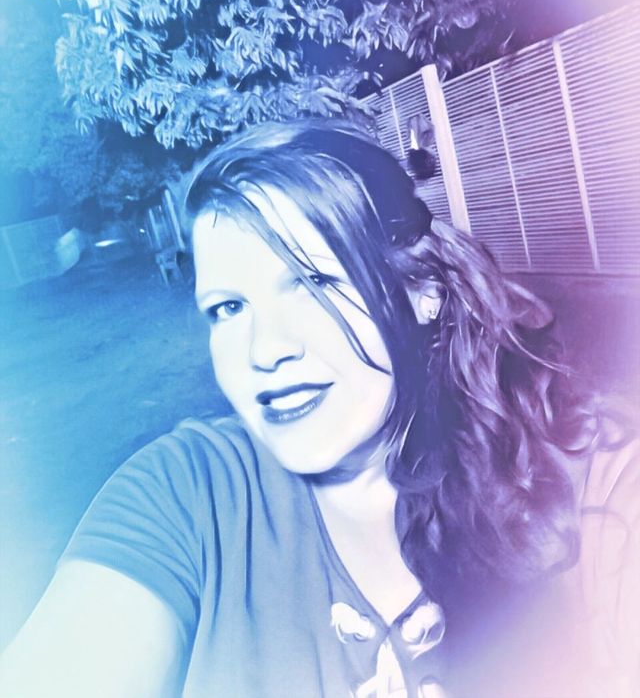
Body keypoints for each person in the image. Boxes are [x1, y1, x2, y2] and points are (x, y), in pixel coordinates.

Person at [0, 119, 638, 697]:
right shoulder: (189, 496)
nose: (265, 349)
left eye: (312, 283)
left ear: (421, 291)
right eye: (228, 307)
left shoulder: (588, 480)